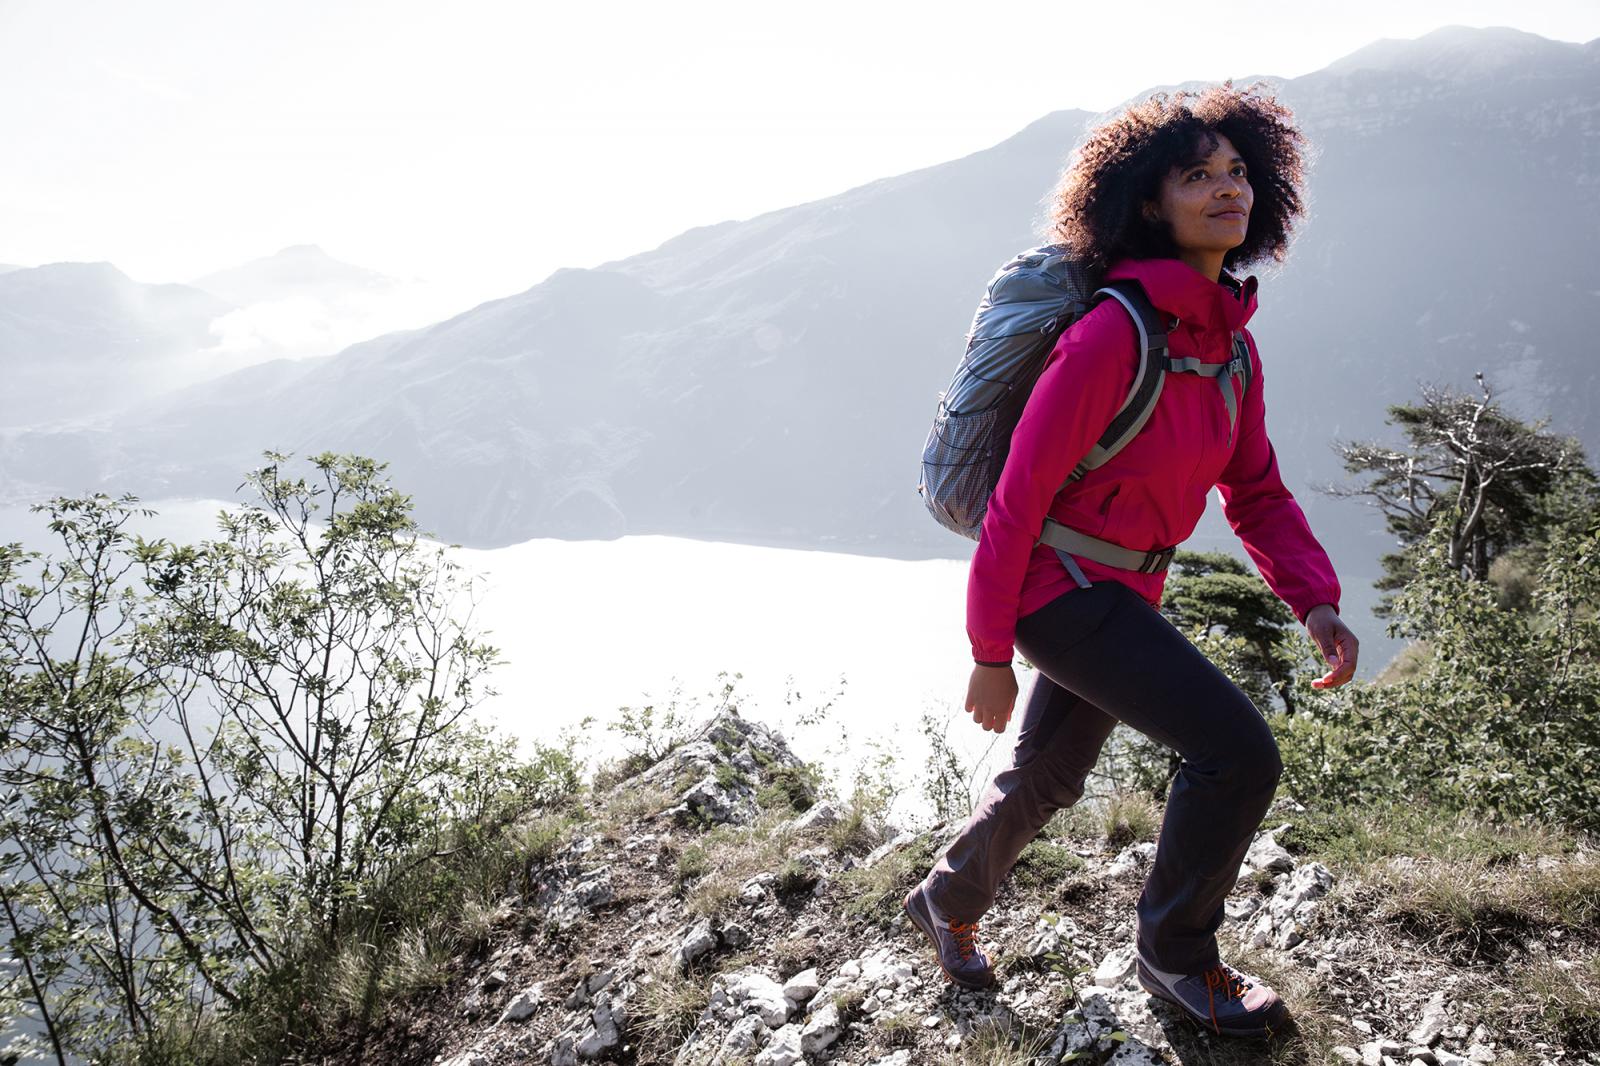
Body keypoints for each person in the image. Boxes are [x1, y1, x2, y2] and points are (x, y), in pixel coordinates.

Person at [902, 83, 1360, 1038]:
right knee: (1235, 752)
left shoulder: (1229, 345)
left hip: (1120, 589)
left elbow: (1258, 490)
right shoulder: (1114, 332)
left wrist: (1313, 599)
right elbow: (1019, 498)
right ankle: (1178, 958)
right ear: (1150, 203)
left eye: (1239, 172)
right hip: (1053, 588)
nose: (1228, 189)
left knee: (1051, 776)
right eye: (1198, 175)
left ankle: (946, 903)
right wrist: (989, 650)